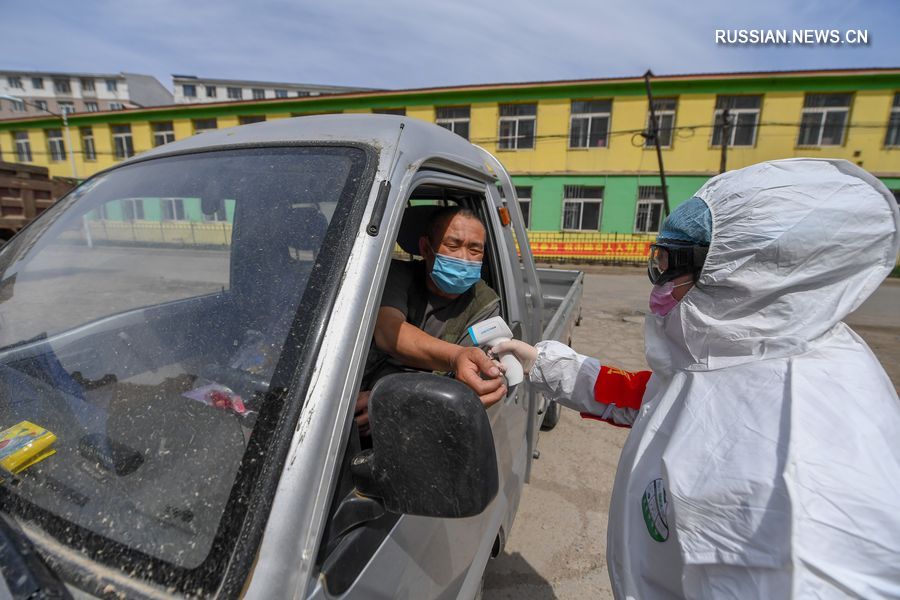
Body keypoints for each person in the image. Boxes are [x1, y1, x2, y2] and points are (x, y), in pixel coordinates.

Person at [495, 158, 900, 598]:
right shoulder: (757, 347)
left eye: (670, 267)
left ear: (744, 277)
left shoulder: (804, 487)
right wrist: (543, 363)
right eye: (658, 262)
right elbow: (654, 400)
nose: (657, 288)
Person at [356, 206, 506, 432]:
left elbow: (462, 381)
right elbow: (389, 331)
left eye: (475, 249)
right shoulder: (397, 275)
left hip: (419, 416)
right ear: (426, 248)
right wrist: (455, 355)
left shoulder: (485, 304)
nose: (464, 258)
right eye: (453, 245)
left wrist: (390, 398)